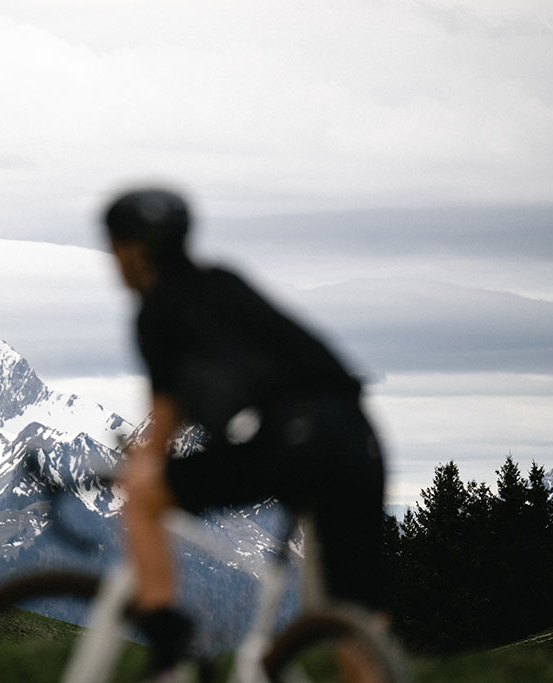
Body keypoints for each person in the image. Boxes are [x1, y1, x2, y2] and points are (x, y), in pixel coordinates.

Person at [103, 187, 386, 681]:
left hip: (292, 440)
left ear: (131, 250)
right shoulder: (224, 283)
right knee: (355, 619)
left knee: (142, 496)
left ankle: (171, 656)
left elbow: (164, 419)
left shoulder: (156, 310)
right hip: (355, 434)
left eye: (112, 248)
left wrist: (141, 463)